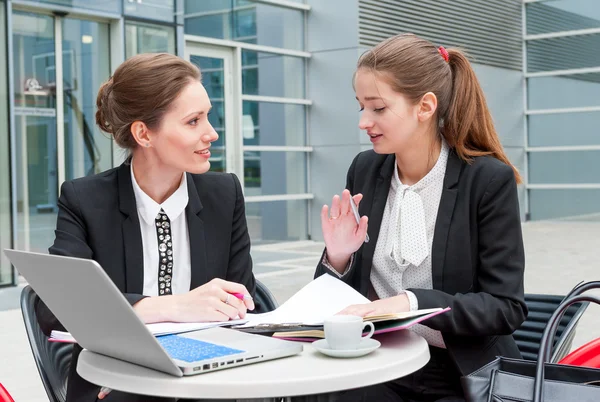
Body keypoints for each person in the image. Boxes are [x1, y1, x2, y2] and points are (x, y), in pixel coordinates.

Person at [315, 34, 528, 401]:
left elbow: (505, 307)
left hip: (459, 375)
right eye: (360, 107)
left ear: (425, 106)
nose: (364, 122)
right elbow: (337, 300)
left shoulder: (487, 180)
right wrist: (338, 258)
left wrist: (412, 303)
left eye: (378, 108)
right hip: (376, 363)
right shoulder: (366, 170)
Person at [35, 53, 257, 402]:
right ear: (143, 133)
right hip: (116, 381)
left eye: (208, 117)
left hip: (210, 375)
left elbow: (243, 298)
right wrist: (171, 306)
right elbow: (54, 308)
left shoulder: (224, 194)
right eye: (193, 121)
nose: (211, 133)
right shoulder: (85, 199)